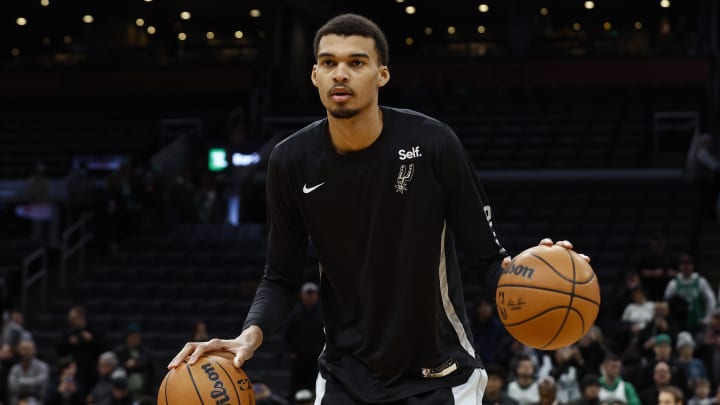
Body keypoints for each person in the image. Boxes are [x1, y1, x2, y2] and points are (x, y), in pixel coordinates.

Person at [167, 13, 589, 405]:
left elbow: (487, 259)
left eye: (356, 62)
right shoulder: (290, 160)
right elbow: (280, 277)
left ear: (382, 74)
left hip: (439, 375)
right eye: (328, 62)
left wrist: (532, 274)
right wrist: (248, 336)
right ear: (314, 75)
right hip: (345, 376)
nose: (341, 73)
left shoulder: (434, 143)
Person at [285, 282, 324, 396]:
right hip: (299, 357)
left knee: (316, 386)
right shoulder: (295, 312)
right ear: (302, 295)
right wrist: (291, 351)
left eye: (313, 294)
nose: (310, 296)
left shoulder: (323, 312)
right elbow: (287, 334)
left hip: (317, 357)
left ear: (317, 295)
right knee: (297, 385)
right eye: (308, 294)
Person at [664, 254, 716, 332]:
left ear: (692, 266)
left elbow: (711, 300)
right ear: (680, 267)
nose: (686, 267)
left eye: (688, 265)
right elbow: (666, 301)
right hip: (679, 322)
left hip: (698, 321)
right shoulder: (673, 284)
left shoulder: (701, 282)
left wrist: (707, 318)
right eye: (683, 265)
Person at [57, 306, 105, 391]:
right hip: (75, 373)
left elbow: (104, 350)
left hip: (92, 372)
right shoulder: (69, 333)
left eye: (74, 318)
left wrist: (91, 341)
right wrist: (69, 343)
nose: (71, 321)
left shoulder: (94, 331)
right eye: (70, 318)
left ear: (82, 317)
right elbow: (60, 352)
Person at [113, 323, 154, 398]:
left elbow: (151, 371)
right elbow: (116, 371)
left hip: (143, 391)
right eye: (133, 337)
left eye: (137, 337)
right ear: (127, 338)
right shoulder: (119, 352)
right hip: (125, 392)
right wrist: (126, 366)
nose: (135, 340)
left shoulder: (145, 352)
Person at [7, 340, 49, 405]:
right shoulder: (15, 368)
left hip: (37, 399)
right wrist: (32, 382)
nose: (26, 352)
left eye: (28, 349)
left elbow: (41, 382)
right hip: (17, 400)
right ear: (19, 350)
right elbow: (12, 387)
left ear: (34, 350)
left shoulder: (42, 366)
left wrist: (20, 381)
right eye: (23, 349)